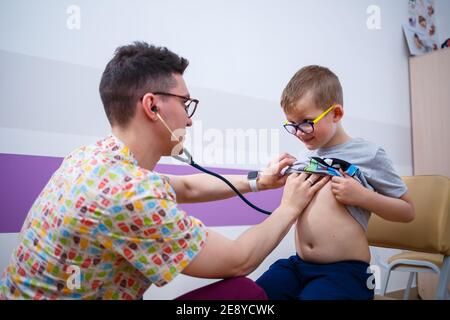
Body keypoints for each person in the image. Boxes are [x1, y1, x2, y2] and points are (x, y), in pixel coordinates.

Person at [0, 42, 329, 300]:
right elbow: (238, 259)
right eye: (186, 104)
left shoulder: (92, 159)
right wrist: (289, 208)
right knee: (243, 294)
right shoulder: (129, 194)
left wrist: (259, 181)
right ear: (152, 106)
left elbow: (186, 189)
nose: (189, 119)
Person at [256, 65, 415, 300]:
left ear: (336, 114)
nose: (299, 132)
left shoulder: (370, 154)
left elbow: (407, 211)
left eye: (306, 122)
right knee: (255, 295)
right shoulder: (303, 157)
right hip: (299, 265)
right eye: (292, 124)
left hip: (344, 272)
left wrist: (363, 197)